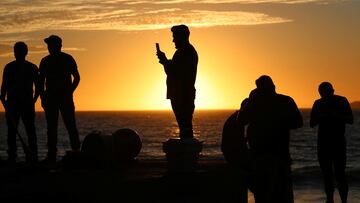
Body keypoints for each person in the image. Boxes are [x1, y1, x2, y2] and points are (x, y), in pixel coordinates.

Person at [237, 75, 303, 203]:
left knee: (267, 196)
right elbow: (241, 121)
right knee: (279, 195)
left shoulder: (261, 102)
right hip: (271, 156)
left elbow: (240, 120)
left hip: (271, 157)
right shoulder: (284, 101)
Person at [39, 35, 81, 163]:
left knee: (70, 126)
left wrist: (69, 91)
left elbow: (77, 78)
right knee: (52, 128)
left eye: (51, 45)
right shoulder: (46, 61)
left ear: (58, 46)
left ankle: (76, 153)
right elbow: (41, 82)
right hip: (52, 99)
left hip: (63, 98)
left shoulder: (67, 59)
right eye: (49, 45)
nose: (49, 47)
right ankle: (52, 155)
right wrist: (43, 97)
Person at [310, 82, 353, 203]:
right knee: (328, 174)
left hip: (337, 142)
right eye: (323, 92)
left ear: (332, 91)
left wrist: (336, 116)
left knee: (339, 174)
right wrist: (322, 116)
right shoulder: (318, 103)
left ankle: (342, 200)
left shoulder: (341, 101)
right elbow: (312, 123)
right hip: (325, 143)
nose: (325, 95)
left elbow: (350, 119)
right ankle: (330, 200)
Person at [156, 24, 198, 139]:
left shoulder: (185, 52)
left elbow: (174, 72)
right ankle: (186, 147)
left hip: (182, 95)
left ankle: (186, 151)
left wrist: (164, 60)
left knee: (184, 125)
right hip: (182, 94)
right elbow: (175, 70)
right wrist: (165, 61)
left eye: (175, 37)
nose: (173, 40)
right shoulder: (185, 52)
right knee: (184, 125)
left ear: (182, 37)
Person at [0, 41, 39, 163]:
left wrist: (33, 100)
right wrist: (3, 98)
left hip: (25, 104)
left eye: (20, 51)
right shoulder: (9, 67)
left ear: (25, 52)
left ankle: (32, 155)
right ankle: (13, 155)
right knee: (13, 132)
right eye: (17, 51)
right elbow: (4, 86)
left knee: (29, 131)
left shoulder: (32, 68)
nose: (18, 53)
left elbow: (38, 87)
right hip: (13, 104)